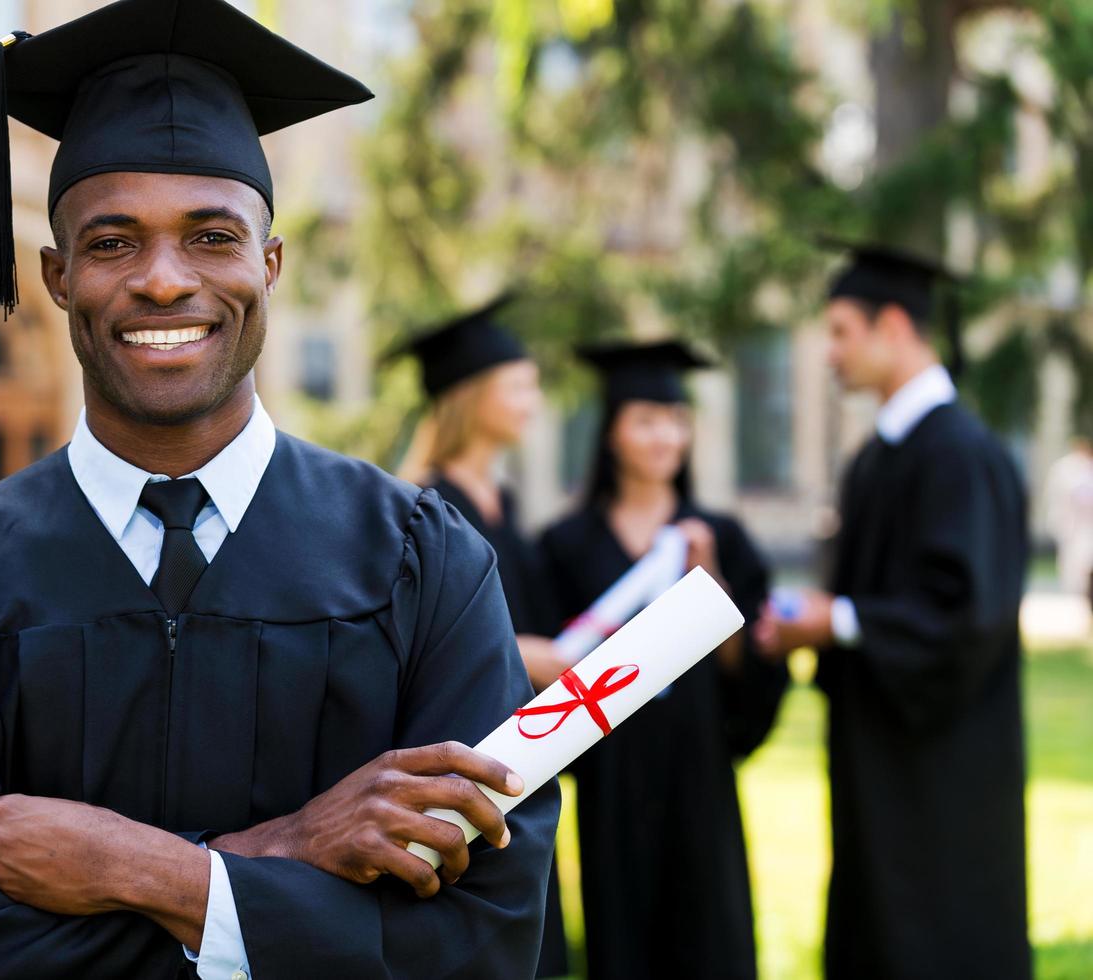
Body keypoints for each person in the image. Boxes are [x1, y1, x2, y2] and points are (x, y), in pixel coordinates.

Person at [0, 2, 559, 977]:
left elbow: (481, 936)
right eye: (113, 241)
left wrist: (165, 875)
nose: (163, 280)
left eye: (210, 236)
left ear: (270, 262)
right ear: (55, 274)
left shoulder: (423, 562)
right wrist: (284, 863)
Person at [755, 242, 1030, 978]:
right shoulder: (878, 456)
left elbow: (967, 618)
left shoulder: (959, 455)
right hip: (876, 758)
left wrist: (838, 621)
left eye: (841, 331)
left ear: (895, 327)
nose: (828, 353)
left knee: (939, 936)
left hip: (946, 773)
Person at [540, 340, 787, 980]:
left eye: (676, 420)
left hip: (698, 771)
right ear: (613, 432)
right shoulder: (567, 544)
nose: (664, 436)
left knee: (711, 935)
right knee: (622, 939)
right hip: (613, 778)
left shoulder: (720, 536)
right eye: (646, 420)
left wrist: (711, 586)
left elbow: (752, 671)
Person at [391, 295, 570, 978]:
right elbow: (414, 643)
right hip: (455, 756)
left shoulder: (508, 503)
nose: (533, 399)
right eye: (518, 384)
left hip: (522, 759)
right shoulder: (422, 509)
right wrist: (526, 655)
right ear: (472, 393)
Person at [1046, 435, 1093, 610]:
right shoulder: (1066, 468)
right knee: (1073, 564)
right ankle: (1075, 597)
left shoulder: (1086, 467)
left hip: (1086, 525)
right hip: (1073, 525)